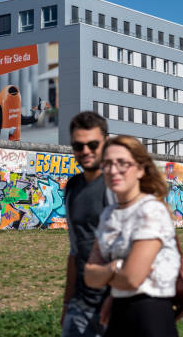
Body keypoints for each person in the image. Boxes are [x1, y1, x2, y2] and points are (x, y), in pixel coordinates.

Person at [84, 135, 180, 337]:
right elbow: (89, 276)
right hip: (118, 313)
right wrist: (116, 267)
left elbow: (132, 279)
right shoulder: (108, 215)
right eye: (107, 163)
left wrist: (106, 273)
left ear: (140, 169)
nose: (113, 170)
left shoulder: (151, 210)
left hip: (149, 316)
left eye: (122, 163)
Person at [62, 111, 110, 337]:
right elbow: (74, 251)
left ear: (106, 142)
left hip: (115, 305)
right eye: (78, 146)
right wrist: (67, 304)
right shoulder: (72, 188)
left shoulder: (117, 186)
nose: (86, 152)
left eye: (93, 144)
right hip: (80, 305)